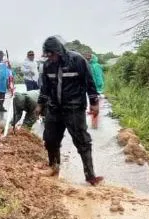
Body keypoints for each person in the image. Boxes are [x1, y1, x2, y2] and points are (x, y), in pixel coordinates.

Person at [36, 36, 103, 185]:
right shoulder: (47, 66)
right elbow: (45, 88)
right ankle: (54, 167)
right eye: (47, 55)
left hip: (74, 108)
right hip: (54, 108)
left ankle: (90, 175)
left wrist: (94, 103)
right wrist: (40, 104)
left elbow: (89, 83)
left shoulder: (77, 60)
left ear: (59, 51)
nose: (50, 58)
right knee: (50, 139)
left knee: (82, 141)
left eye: (52, 55)